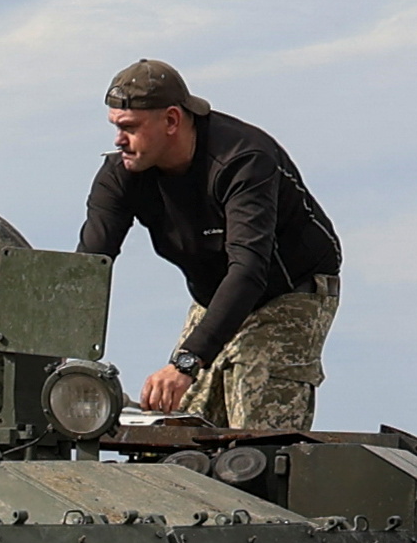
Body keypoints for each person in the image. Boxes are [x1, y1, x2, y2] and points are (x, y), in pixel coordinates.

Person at [77, 60, 343, 430]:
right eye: (115, 127)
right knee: (179, 423)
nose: (119, 140)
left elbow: (250, 270)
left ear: (171, 121)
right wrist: (61, 358)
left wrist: (186, 362)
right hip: (214, 295)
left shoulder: (243, 160)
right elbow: (87, 269)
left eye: (130, 128)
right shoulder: (121, 175)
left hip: (288, 292)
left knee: (255, 427)